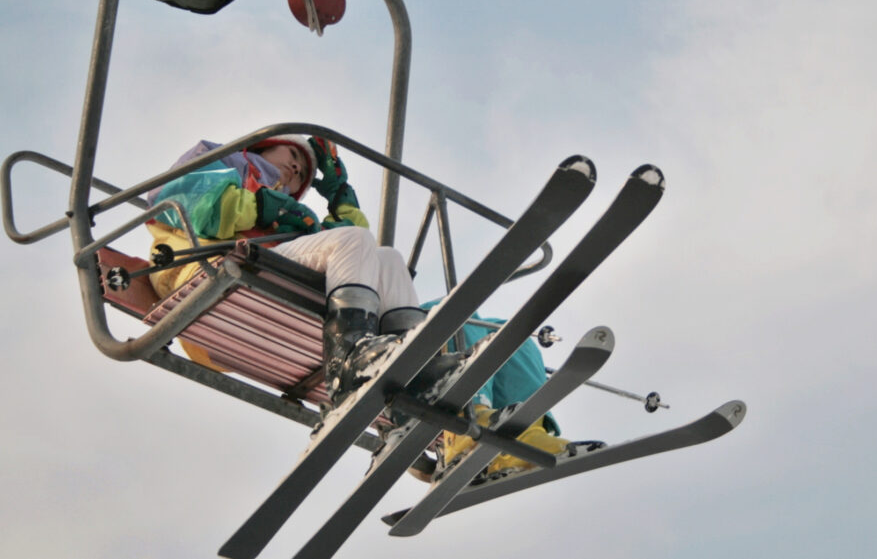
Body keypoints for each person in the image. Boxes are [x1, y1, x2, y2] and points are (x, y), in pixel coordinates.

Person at [146, 134, 591, 479]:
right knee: (357, 244)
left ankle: (410, 395)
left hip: (272, 281)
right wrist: (269, 205)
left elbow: (354, 242)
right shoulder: (224, 162)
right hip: (208, 275)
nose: (297, 170)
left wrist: (338, 192)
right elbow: (192, 202)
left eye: (303, 175)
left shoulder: (288, 218)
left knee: (388, 258)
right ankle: (351, 361)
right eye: (292, 156)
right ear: (263, 145)